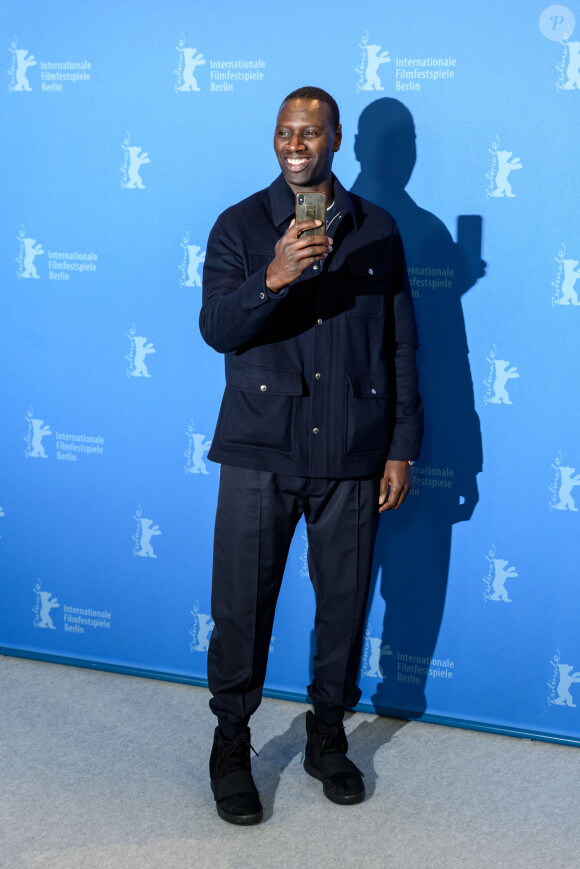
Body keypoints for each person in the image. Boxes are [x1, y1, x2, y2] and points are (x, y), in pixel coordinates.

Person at [199, 86, 423, 825]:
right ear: (276, 138)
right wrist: (274, 274)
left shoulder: (380, 228)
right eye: (285, 131)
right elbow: (216, 328)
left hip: (353, 453)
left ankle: (328, 734)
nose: (296, 143)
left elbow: (401, 346)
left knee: (345, 604)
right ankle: (231, 741)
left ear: (337, 142)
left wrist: (400, 446)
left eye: (311, 131)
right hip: (260, 449)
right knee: (241, 603)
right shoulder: (238, 226)